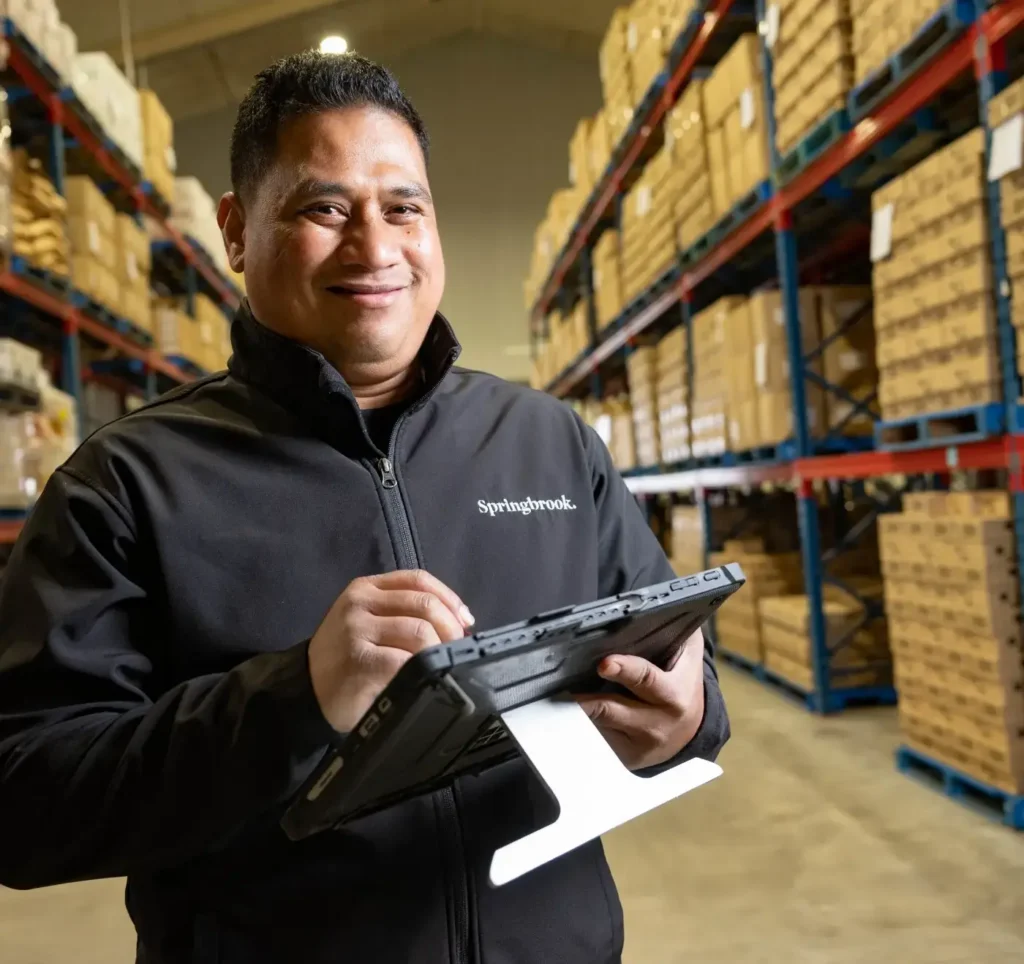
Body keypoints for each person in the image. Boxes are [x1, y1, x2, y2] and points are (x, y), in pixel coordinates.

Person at [0, 52, 729, 964]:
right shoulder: (127, 483)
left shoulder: (549, 441)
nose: (376, 248)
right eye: (324, 209)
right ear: (235, 231)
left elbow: (675, 669)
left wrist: (686, 723)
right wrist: (294, 698)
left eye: (403, 207)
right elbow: (25, 803)